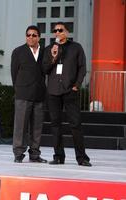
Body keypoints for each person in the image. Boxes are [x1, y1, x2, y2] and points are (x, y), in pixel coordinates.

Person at [42, 22, 92, 166]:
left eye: (60, 30)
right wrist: (53, 57)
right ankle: (58, 156)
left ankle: (81, 158)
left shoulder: (76, 47)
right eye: (55, 30)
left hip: (70, 90)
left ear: (67, 32)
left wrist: (77, 85)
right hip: (53, 91)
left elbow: (82, 67)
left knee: (75, 124)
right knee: (55, 124)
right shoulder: (49, 49)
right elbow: (45, 69)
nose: (57, 32)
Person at [11, 25, 47, 163]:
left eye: (34, 35)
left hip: (39, 94)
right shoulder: (18, 51)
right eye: (28, 35)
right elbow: (14, 73)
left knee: (37, 127)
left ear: (39, 37)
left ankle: (35, 154)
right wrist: (19, 89)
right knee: (20, 126)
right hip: (23, 94)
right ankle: (18, 153)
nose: (30, 37)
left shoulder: (44, 52)